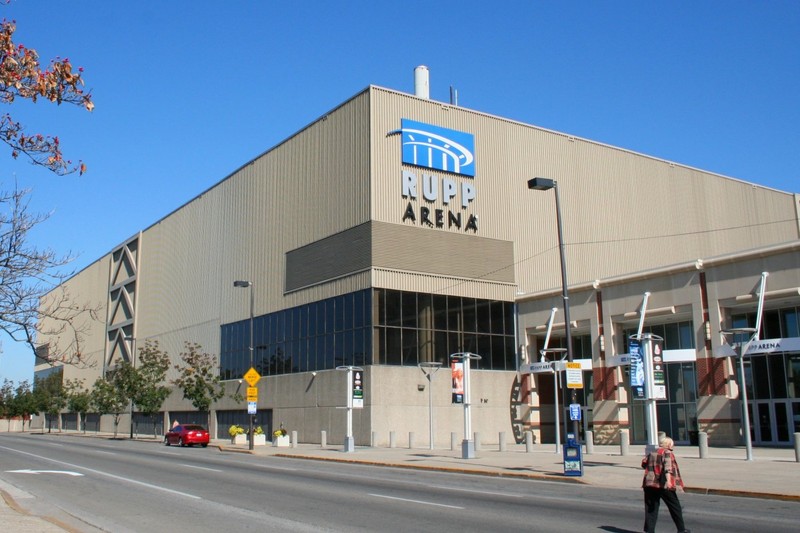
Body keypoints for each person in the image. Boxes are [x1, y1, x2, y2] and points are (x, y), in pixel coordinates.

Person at [641, 436, 690, 533]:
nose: (673, 445)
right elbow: (668, 469)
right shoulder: (667, 453)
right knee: (675, 507)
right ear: (668, 444)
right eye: (672, 443)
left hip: (650, 484)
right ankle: (681, 530)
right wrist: (668, 482)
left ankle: (649, 531)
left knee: (651, 508)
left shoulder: (652, 452)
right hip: (662, 484)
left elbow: (643, 463)